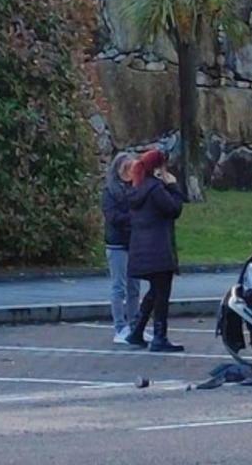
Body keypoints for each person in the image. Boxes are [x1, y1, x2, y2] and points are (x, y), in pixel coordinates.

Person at [125, 148, 185, 352]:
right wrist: (173, 185)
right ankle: (160, 336)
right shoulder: (155, 189)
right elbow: (174, 209)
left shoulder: (136, 188)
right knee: (162, 293)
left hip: (141, 249)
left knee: (154, 291)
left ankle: (137, 331)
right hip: (159, 250)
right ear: (159, 167)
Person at [101, 152, 142, 345]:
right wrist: (133, 219)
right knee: (119, 287)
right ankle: (120, 326)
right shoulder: (110, 191)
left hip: (134, 242)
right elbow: (113, 217)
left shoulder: (137, 187)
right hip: (117, 243)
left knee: (134, 286)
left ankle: (135, 325)